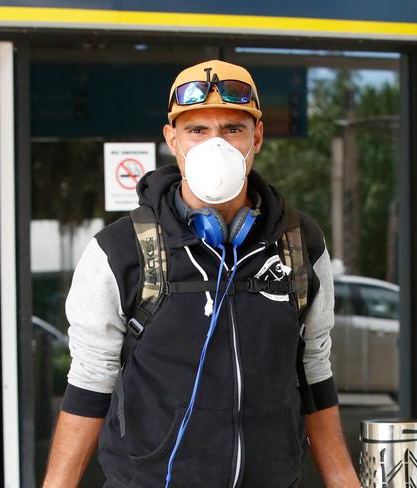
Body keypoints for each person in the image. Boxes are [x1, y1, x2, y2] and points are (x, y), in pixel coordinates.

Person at [43, 59, 360, 488]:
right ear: (172, 139)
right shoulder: (119, 252)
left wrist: (345, 481)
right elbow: (88, 385)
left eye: (233, 129)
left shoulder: (300, 243)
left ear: (257, 137)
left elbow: (315, 372)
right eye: (197, 130)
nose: (217, 144)